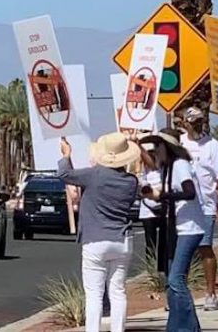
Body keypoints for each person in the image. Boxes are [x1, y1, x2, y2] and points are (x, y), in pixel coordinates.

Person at [57, 133, 140, 332]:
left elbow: (64, 174)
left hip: (95, 240)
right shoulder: (131, 182)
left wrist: (66, 155)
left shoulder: (94, 175)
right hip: (122, 240)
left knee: (94, 293)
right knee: (118, 292)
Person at [141, 129, 206, 332]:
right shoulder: (168, 169)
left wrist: (166, 196)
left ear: (166, 147)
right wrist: (156, 197)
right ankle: (176, 326)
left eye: (157, 146)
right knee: (171, 281)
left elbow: (189, 192)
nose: (154, 151)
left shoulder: (180, 165)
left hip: (190, 228)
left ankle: (189, 328)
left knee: (176, 279)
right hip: (177, 228)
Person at [179, 107, 218, 311]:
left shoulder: (212, 145)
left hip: (206, 206)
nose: (198, 125)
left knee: (204, 247)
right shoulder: (180, 144)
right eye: (194, 122)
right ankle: (180, 295)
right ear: (185, 124)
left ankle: (210, 294)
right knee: (182, 251)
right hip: (183, 206)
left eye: (200, 121)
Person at [139, 146, 168, 274]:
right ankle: (151, 269)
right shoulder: (142, 171)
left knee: (163, 240)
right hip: (147, 208)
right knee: (150, 241)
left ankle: (162, 268)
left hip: (162, 207)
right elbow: (142, 187)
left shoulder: (163, 170)